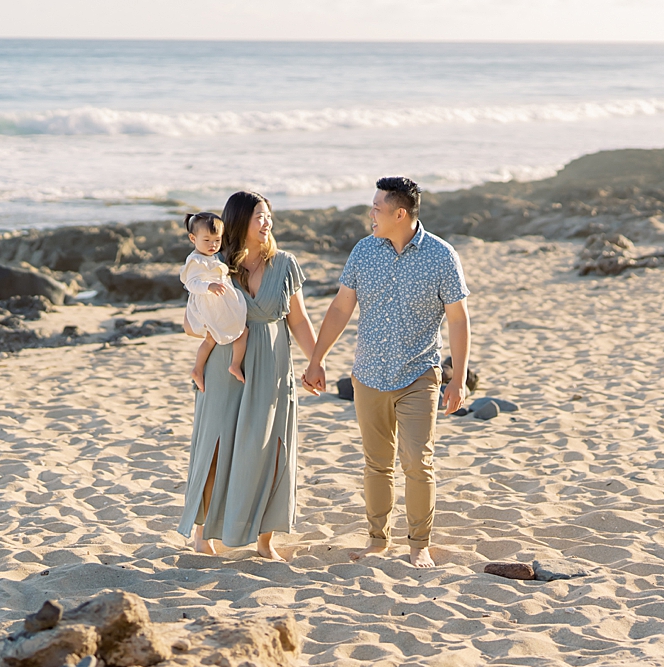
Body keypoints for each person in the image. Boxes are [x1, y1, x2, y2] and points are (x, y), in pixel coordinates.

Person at [303, 176, 470, 569]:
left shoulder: (442, 256)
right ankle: (378, 540)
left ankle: (419, 544)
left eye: (377, 207)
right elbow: (342, 307)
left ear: (400, 214)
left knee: (418, 462)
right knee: (376, 463)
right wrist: (317, 359)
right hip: (368, 375)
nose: (371, 213)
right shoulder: (364, 251)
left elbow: (458, 320)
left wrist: (458, 377)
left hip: (419, 374)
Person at [178, 191, 321, 560]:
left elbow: (299, 319)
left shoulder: (285, 264)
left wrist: (316, 361)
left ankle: (264, 540)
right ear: (240, 221)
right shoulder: (217, 264)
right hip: (224, 363)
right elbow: (190, 323)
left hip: (272, 363)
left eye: (269, 215)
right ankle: (202, 533)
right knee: (216, 443)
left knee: (269, 448)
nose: (267, 222)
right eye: (259, 215)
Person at [180, 212, 249, 390]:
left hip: (219, 303)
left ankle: (232, 365)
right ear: (192, 238)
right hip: (208, 305)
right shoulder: (195, 261)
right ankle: (200, 368)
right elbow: (191, 283)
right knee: (225, 334)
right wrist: (208, 286)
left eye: (217, 240)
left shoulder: (210, 257)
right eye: (207, 240)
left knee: (239, 331)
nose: (213, 245)